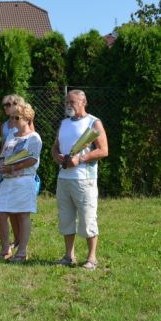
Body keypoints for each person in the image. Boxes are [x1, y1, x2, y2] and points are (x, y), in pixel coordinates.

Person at [52, 90, 108, 270]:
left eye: (72, 102)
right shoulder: (64, 123)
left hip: (85, 179)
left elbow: (103, 150)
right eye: (67, 102)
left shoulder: (94, 122)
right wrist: (58, 157)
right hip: (64, 178)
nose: (68, 104)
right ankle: (69, 256)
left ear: (84, 102)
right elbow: (55, 148)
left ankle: (92, 258)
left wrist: (80, 159)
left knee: (87, 217)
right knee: (66, 217)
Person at [0, 103, 42, 262]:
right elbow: (4, 153)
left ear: (27, 119)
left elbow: (32, 159)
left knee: (23, 215)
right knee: (0, 214)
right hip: (7, 181)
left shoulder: (34, 137)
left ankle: (21, 252)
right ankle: (5, 248)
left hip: (24, 181)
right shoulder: (12, 134)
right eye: (11, 117)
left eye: (17, 117)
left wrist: (13, 167)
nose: (13, 121)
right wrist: (1, 164)